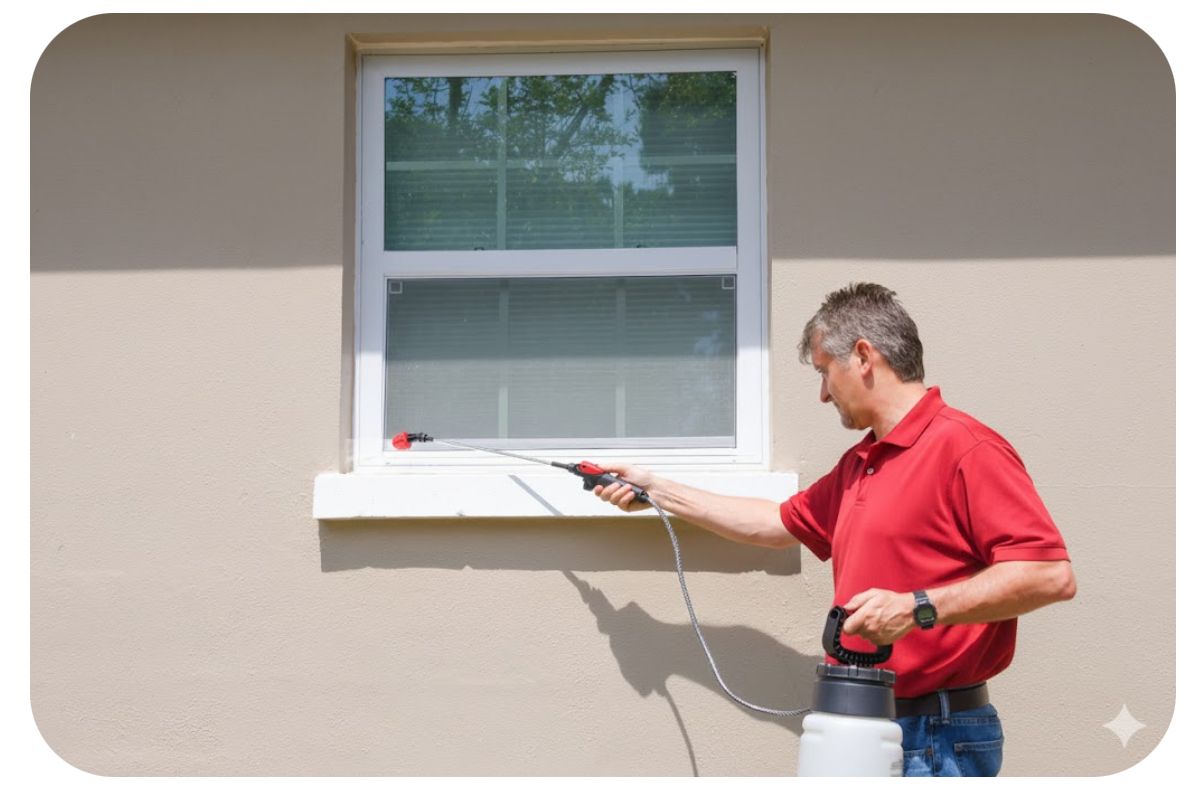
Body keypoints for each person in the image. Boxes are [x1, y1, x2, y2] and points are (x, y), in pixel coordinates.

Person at [592, 282, 1075, 777]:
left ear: (864, 356)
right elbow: (773, 524)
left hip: (937, 739)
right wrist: (657, 490)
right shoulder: (861, 464)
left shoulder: (965, 448)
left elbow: (1048, 574)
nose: (823, 394)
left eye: (825, 372)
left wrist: (917, 607)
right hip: (858, 728)